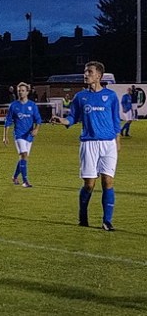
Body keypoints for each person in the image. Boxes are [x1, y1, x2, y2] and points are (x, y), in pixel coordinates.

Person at [50, 61, 121, 231]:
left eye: (89, 72)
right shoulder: (80, 97)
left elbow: (116, 120)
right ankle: (83, 215)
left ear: (99, 76)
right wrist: (62, 121)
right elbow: (73, 118)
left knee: (108, 181)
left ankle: (107, 221)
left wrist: (117, 141)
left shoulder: (110, 96)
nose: (85, 74)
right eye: (85, 71)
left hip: (108, 144)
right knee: (89, 184)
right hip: (88, 143)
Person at [3, 82, 42, 188]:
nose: (20, 92)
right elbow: (8, 121)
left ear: (27, 92)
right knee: (23, 155)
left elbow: (38, 120)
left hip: (29, 136)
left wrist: (36, 129)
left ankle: (15, 177)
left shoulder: (32, 105)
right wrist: (5, 136)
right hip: (19, 135)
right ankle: (25, 181)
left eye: (23, 90)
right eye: (19, 90)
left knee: (23, 158)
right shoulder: (14, 105)